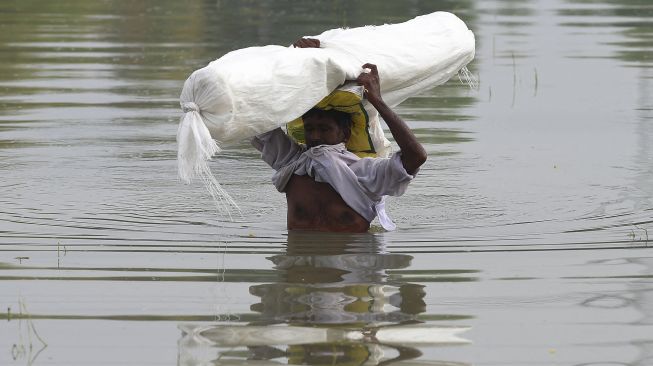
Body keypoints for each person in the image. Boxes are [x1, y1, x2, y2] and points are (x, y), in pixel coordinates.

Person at [252, 39, 427, 232]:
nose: (316, 136)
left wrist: (378, 101)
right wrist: (299, 62)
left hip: (353, 259)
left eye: (324, 129)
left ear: (345, 133)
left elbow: (416, 157)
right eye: (310, 129)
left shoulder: (363, 172)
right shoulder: (292, 163)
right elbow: (255, 115)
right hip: (298, 262)